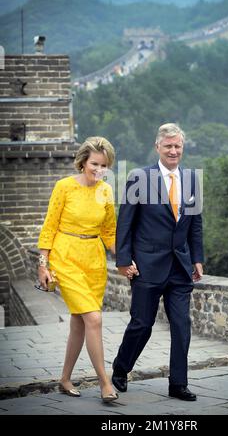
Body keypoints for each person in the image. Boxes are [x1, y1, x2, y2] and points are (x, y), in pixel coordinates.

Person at [112, 123, 204, 401]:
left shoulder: (191, 179)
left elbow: (195, 224)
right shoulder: (139, 178)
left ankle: (178, 384)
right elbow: (125, 223)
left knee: (181, 326)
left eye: (178, 146)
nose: (173, 151)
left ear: (182, 148)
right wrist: (124, 261)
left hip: (180, 267)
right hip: (147, 266)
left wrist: (198, 258)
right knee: (142, 323)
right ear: (158, 148)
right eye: (168, 146)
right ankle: (121, 367)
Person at [37, 136, 118, 403]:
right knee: (94, 319)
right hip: (66, 257)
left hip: (94, 262)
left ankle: (64, 378)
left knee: (79, 323)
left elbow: (109, 231)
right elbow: (49, 226)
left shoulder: (106, 191)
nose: (99, 170)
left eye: (104, 165)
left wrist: (127, 258)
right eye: (95, 163)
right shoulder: (64, 187)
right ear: (83, 162)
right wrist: (43, 264)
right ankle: (105, 382)